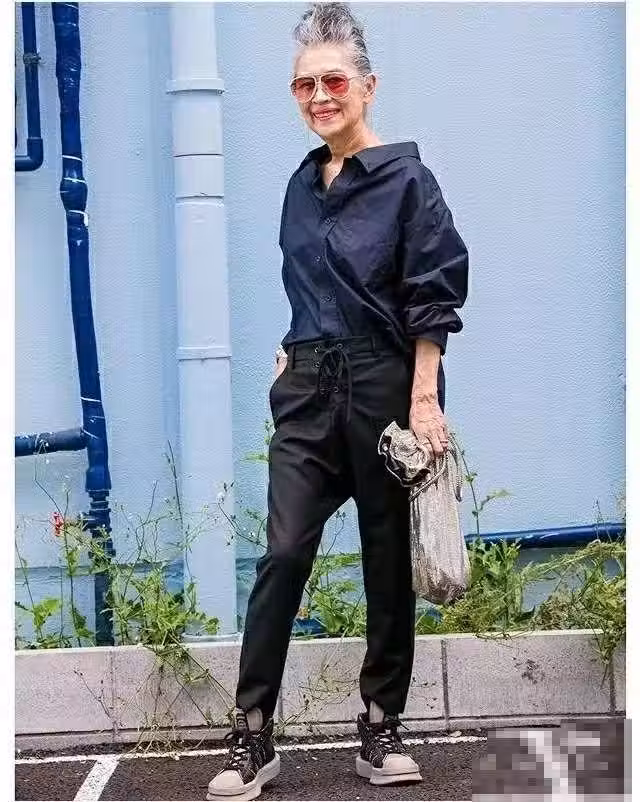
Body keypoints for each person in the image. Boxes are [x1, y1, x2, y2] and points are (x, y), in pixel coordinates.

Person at [208, 3, 468, 800]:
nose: (319, 96)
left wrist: (424, 400)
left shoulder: (408, 181)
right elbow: (311, 284)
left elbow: (432, 294)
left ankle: (381, 729)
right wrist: (291, 351)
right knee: (284, 551)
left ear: (367, 86)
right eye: (304, 85)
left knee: (387, 564)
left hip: (385, 384)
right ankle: (252, 735)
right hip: (308, 387)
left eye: (333, 82)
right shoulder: (301, 184)